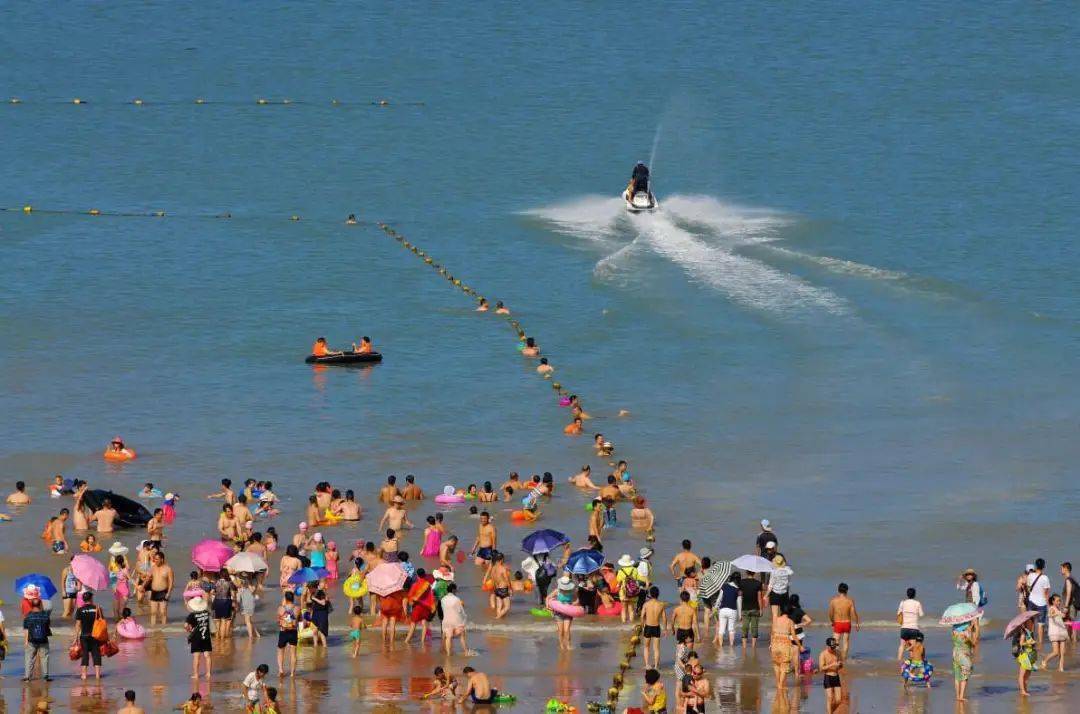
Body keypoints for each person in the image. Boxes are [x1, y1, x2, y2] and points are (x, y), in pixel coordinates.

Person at [73, 591, 104, 680]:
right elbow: (102, 624)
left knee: (85, 654)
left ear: (83, 599)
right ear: (91, 599)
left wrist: (75, 638)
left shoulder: (80, 610)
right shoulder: (97, 609)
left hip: (84, 635)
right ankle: (97, 675)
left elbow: (78, 624)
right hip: (95, 635)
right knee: (96, 654)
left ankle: (84, 675)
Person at [827, 582, 859, 659]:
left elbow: (830, 613)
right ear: (847, 591)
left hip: (837, 623)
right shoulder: (850, 601)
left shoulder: (833, 601)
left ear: (838, 590)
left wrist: (832, 621)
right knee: (845, 642)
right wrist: (857, 623)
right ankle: (844, 658)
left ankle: (837, 657)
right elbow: (854, 613)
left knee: (835, 642)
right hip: (847, 623)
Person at [22, 599, 51, 681]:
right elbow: (47, 626)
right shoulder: (45, 615)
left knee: (29, 658)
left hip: (31, 640)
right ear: (40, 604)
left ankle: (27, 676)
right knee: (44, 658)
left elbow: (26, 629)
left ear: (31, 605)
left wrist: (26, 641)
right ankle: (45, 676)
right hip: (43, 639)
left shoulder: (28, 616)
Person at [184, 596, 213, 679]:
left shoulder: (192, 615)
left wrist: (189, 630)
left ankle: (196, 674)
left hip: (196, 638)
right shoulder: (206, 613)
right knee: (207, 656)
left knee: (196, 656)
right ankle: (208, 673)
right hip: (206, 637)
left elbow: (186, 625)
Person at [440, 583, 472, 656]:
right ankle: (466, 652)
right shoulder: (456, 599)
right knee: (462, 636)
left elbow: (443, 609)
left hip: (446, 620)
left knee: (448, 637)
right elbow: (460, 610)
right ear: (453, 590)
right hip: (456, 620)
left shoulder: (443, 599)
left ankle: (448, 654)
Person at [770, 606, 797, 690]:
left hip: (775, 644)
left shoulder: (776, 620)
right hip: (785, 645)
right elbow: (793, 635)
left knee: (776, 664)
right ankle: (780, 685)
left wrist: (771, 644)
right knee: (784, 666)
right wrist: (800, 645)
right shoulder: (790, 621)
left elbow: (772, 633)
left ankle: (778, 683)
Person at [640, 586, 667, 669]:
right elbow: (664, 618)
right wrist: (665, 629)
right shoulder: (661, 604)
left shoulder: (646, 604)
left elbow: (642, 616)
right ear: (658, 594)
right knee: (656, 649)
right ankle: (655, 666)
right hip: (656, 627)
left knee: (646, 647)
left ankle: (647, 665)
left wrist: (642, 626)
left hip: (648, 627)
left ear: (650, 594)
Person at [1027, 558, 1051, 648]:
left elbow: (1028, 587)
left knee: (1031, 622)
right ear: (1044, 566)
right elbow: (1046, 593)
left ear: (1035, 566)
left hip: (1031, 601)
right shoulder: (1045, 578)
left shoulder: (1030, 576)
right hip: (1041, 603)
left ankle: (1030, 641)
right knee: (1040, 624)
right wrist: (1049, 606)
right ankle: (1040, 644)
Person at [1041, 593, 1067, 671]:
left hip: (1062, 632)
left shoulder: (1059, 609)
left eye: (1060, 601)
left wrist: (1067, 622)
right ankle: (1045, 660)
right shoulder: (1052, 608)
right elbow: (1050, 615)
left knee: (1063, 652)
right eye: (1058, 601)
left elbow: (1060, 621)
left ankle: (1061, 668)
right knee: (1056, 652)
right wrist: (1058, 613)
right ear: (1053, 601)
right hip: (1054, 633)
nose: (1059, 602)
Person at [896, 587, 924, 659]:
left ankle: (899, 660)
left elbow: (898, 613)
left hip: (904, 627)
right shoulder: (917, 603)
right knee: (913, 646)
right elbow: (921, 614)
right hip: (913, 628)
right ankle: (911, 661)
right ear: (914, 595)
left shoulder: (903, 603)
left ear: (907, 594)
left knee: (902, 645)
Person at [739, 570, 764, 647]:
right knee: (754, 627)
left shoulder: (742, 582)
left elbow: (740, 595)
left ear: (746, 572)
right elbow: (759, 598)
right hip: (755, 608)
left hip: (745, 608)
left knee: (745, 627)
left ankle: (744, 647)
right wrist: (761, 609)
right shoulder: (758, 583)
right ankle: (753, 647)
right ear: (755, 573)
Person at [276, 591, 299, 677]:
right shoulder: (297, 608)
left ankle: (281, 670)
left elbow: (278, 621)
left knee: (280, 651)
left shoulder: (280, 608)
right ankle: (292, 673)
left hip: (283, 632)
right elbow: (299, 620)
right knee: (293, 653)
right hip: (293, 632)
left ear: (285, 599)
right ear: (293, 598)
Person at [951, 621, 975, 701]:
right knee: (965, 675)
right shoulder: (966, 632)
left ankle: (957, 696)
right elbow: (972, 643)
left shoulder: (954, 630)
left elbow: (955, 641)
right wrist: (970, 631)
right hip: (964, 655)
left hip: (955, 654)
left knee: (957, 676)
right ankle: (961, 696)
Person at [148, 550, 174, 625]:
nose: (154, 560)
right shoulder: (153, 568)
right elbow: (148, 578)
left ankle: (163, 629)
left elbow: (171, 582)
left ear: (162, 559)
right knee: (153, 613)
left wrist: (168, 593)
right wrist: (142, 586)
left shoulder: (168, 569)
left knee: (163, 613)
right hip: (154, 592)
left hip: (163, 592)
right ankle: (153, 628)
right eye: (154, 559)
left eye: (156, 559)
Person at [1014, 616, 1038, 695]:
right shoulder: (1024, 632)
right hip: (1024, 655)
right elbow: (1021, 643)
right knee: (1022, 674)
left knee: (1027, 675)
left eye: (1033, 622)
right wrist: (1029, 643)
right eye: (1031, 622)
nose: (1033, 624)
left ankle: (1024, 689)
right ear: (1027, 623)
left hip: (1030, 655)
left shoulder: (1030, 632)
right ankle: (1022, 691)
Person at [819, 637, 843, 713]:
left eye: (834, 647)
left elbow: (841, 666)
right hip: (828, 677)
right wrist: (832, 665)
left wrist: (840, 665)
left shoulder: (838, 652)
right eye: (832, 647)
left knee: (838, 700)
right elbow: (821, 668)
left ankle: (830, 711)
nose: (834, 649)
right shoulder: (823, 654)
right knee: (829, 698)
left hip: (836, 676)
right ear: (827, 646)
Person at [1063, 562, 1079, 644]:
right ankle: (1072, 639)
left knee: (1072, 621)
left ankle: (1074, 640)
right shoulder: (1072, 578)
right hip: (1074, 603)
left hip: (1071, 604)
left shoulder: (1068, 579)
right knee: (1072, 621)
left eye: (1062, 568)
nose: (1061, 570)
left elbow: (1069, 593)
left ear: (1066, 568)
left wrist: (1065, 606)